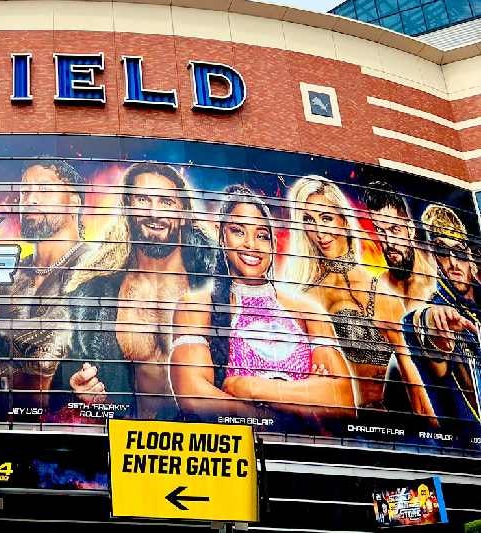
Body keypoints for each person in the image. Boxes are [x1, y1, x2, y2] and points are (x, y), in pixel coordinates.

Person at [170, 186, 355, 424]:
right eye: (238, 231)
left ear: (273, 242)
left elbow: (344, 402)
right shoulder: (197, 306)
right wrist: (302, 397)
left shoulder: (307, 311)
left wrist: (248, 387)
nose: (251, 245)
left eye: (262, 235)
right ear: (221, 234)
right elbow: (193, 395)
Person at [60, 162, 217, 419]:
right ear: (127, 209)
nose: (154, 213)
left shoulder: (215, 285)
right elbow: (72, 371)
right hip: (133, 441)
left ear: (184, 213)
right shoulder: (94, 295)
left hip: (206, 442)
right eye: (143, 200)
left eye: (166, 202)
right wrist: (82, 388)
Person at [0, 161, 91, 412]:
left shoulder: (95, 269)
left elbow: (43, 377)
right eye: (24, 192)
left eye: (43, 189)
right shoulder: (8, 275)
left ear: (75, 201)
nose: (30, 199)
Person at [285, 175, 410, 410]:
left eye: (326, 218)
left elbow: (413, 374)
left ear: (344, 219)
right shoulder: (307, 297)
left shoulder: (386, 291)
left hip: (398, 419)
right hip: (345, 421)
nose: (319, 231)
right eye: (309, 220)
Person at [401, 205, 481, 441]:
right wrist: (431, 321)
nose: (454, 263)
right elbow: (423, 331)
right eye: (442, 252)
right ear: (429, 256)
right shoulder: (437, 311)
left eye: (459, 251)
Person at [361, 181, 437, 308]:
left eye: (394, 230)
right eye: (380, 231)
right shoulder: (378, 286)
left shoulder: (434, 287)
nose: (389, 242)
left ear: (411, 230)